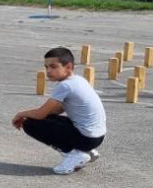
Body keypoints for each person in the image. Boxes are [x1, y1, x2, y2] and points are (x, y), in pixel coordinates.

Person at [11, 47, 106, 175]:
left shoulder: (65, 85)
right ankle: (86, 151)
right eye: (46, 67)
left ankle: (73, 155)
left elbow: (40, 114)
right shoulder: (78, 80)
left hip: (87, 138)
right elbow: (58, 109)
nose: (48, 71)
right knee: (47, 118)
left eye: (53, 67)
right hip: (96, 136)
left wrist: (20, 114)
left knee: (30, 124)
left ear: (68, 67)